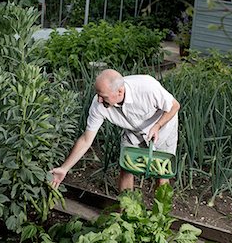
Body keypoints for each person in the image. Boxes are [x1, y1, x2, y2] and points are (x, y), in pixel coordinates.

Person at [50, 69, 180, 192]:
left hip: (163, 130)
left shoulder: (146, 87)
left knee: (162, 174)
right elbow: (86, 139)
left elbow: (175, 105)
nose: (99, 100)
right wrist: (64, 168)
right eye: (98, 95)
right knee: (126, 168)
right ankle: (125, 211)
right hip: (133, 133)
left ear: (119, 91)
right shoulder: (99, 104)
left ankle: (160, 214)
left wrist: (158, 125)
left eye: (103, 96)